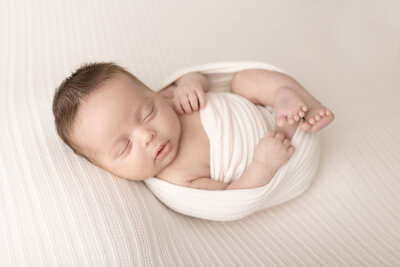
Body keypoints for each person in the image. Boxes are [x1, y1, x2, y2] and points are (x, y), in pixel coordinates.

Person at [52, 62, 334, 190]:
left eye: (147, 113)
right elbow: (231, 195)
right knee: (279, 137)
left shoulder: (170, 99)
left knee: (242, 79)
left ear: (153, 94)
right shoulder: (178, 178)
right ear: (105, 168)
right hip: (280, 148)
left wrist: (190, 83)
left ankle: (293, 98)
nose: (147, 136)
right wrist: (264, 164)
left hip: (258, 106)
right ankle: (293, 117)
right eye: (125, 146)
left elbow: (203, 77)